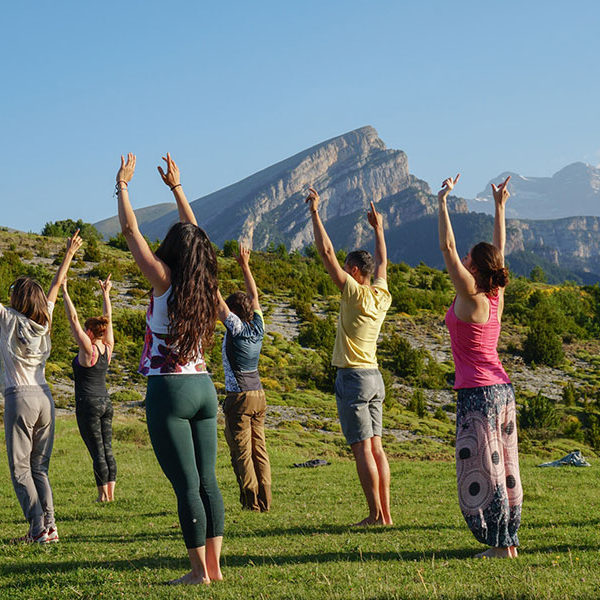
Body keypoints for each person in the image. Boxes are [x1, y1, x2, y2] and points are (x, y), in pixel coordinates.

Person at [116, 152, 224, 585]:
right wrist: (178, 190)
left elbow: (129, 231)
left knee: (186, 486)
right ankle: (215, 568)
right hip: (204, 387)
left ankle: (199, 573)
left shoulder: (164, 279)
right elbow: (197, 236)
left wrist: (122, 186)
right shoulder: (205, 284)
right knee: (209, 482)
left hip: (170, 391)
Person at [438, 173, 522, 558]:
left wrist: (442, 203)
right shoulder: (495, 295)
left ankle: (500, 545)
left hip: (479, 393)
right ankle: (509, 540)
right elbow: (499, 252)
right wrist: (500, 206)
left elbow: (447, 246)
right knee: (504, 467)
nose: (463, 259)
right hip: (501, 390)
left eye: (469, 258)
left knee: (486, 472)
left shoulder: (471, 297)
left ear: (474, 266)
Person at [305, 188, 392, 526]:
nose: (341, 270)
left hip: (353, 378)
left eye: (346, 268)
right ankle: (386, 514)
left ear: (355, 271)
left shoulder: (354, 293)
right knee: (377, 447)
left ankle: (374, 515)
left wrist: (315, 213)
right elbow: (383, 262)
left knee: (361, 449)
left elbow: (325, 252)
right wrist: (378, 229)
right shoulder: (381, 294)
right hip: (374, 376)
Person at [1, 230, 83, 543]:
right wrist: (69, 254)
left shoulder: (7, 319)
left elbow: (54, 285)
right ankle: (50, 527)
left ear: (16, 299)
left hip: (19, 397)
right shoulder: (44, 320)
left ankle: (37, 530)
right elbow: (56, 284)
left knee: (20, 469)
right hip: (45, 398)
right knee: (39, 468)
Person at [217, 245, 272, 512]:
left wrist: (207, 274)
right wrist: (244, 265)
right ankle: (266, 499)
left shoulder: (236, 327)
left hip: (238, 396)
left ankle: (251, 502)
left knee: (242, 453)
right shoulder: (258, 325)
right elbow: (254, 295)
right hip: (258, 394)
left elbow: (219, 305)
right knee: (259, 449)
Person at [62, 274, 116, 502]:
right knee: (108, 449)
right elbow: (109, 318)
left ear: (91, 333)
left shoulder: (89, 351)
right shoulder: (107, 348)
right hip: (106, 402)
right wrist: (106, 294)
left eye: (86, 331)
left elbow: (73, 319)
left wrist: (64, 291)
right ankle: (111, 494)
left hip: (89, 405)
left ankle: (102, 496)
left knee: (97, 452)